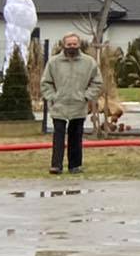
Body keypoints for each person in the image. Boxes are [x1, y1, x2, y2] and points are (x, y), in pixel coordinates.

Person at [40, 33, 100, 175]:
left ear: (79, 45)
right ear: (63, 45)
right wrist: (52, 97)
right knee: (58, 136)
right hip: (59, 105)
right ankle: (56, 165)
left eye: (74, 44)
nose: (72, 47)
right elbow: (45, 83)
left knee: (76, 135)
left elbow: (97, 82)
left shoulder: (89, 62)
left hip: (78, 105)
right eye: (69, 44)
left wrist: (86, 97)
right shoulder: (53, 62)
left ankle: (75, 165)